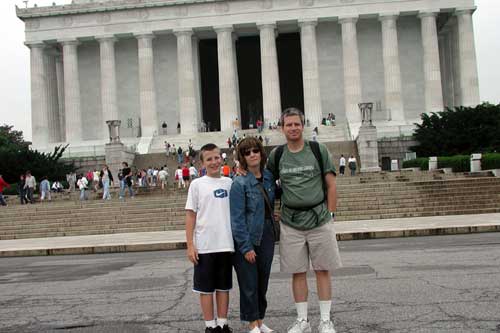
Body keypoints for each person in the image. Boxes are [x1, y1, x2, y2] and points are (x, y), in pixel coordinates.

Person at [267, 108, 342, 333]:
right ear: (282, 128)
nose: (293, 128)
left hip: (319, 219)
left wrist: (330, 214)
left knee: (322, 269)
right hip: (291, 222)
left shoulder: (318, 150)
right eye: (288, 125)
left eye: (296, 124)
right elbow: (267, 183)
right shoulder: (277, 155)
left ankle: (325, 320)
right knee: (297, 272)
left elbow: (331, 185)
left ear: (303, 125)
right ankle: (302, 321)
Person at [184, 143, 234, 333]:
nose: (214, 162)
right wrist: (190, 245)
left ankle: (222, 323)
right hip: (204, 246)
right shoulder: (197, 185)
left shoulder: (230, 182)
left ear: (222, 158)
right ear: (202, 163)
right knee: (205, 289)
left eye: (216, 158)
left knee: (223, 287)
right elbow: (190, 215)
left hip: (226, 244)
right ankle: (210, 326)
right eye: (209, 159)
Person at [230, 137, 276, 333]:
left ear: (261, 152)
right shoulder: (239, 183)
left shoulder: (268, 177)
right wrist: (245, 246)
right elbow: (237, 218)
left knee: (262, 280)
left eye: (255, 150)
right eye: (247, 152)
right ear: (242, 157)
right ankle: (252, 324)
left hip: (267, 234)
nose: (252, 155)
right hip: (248, 235)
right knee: (249, 283)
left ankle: (260, 320)